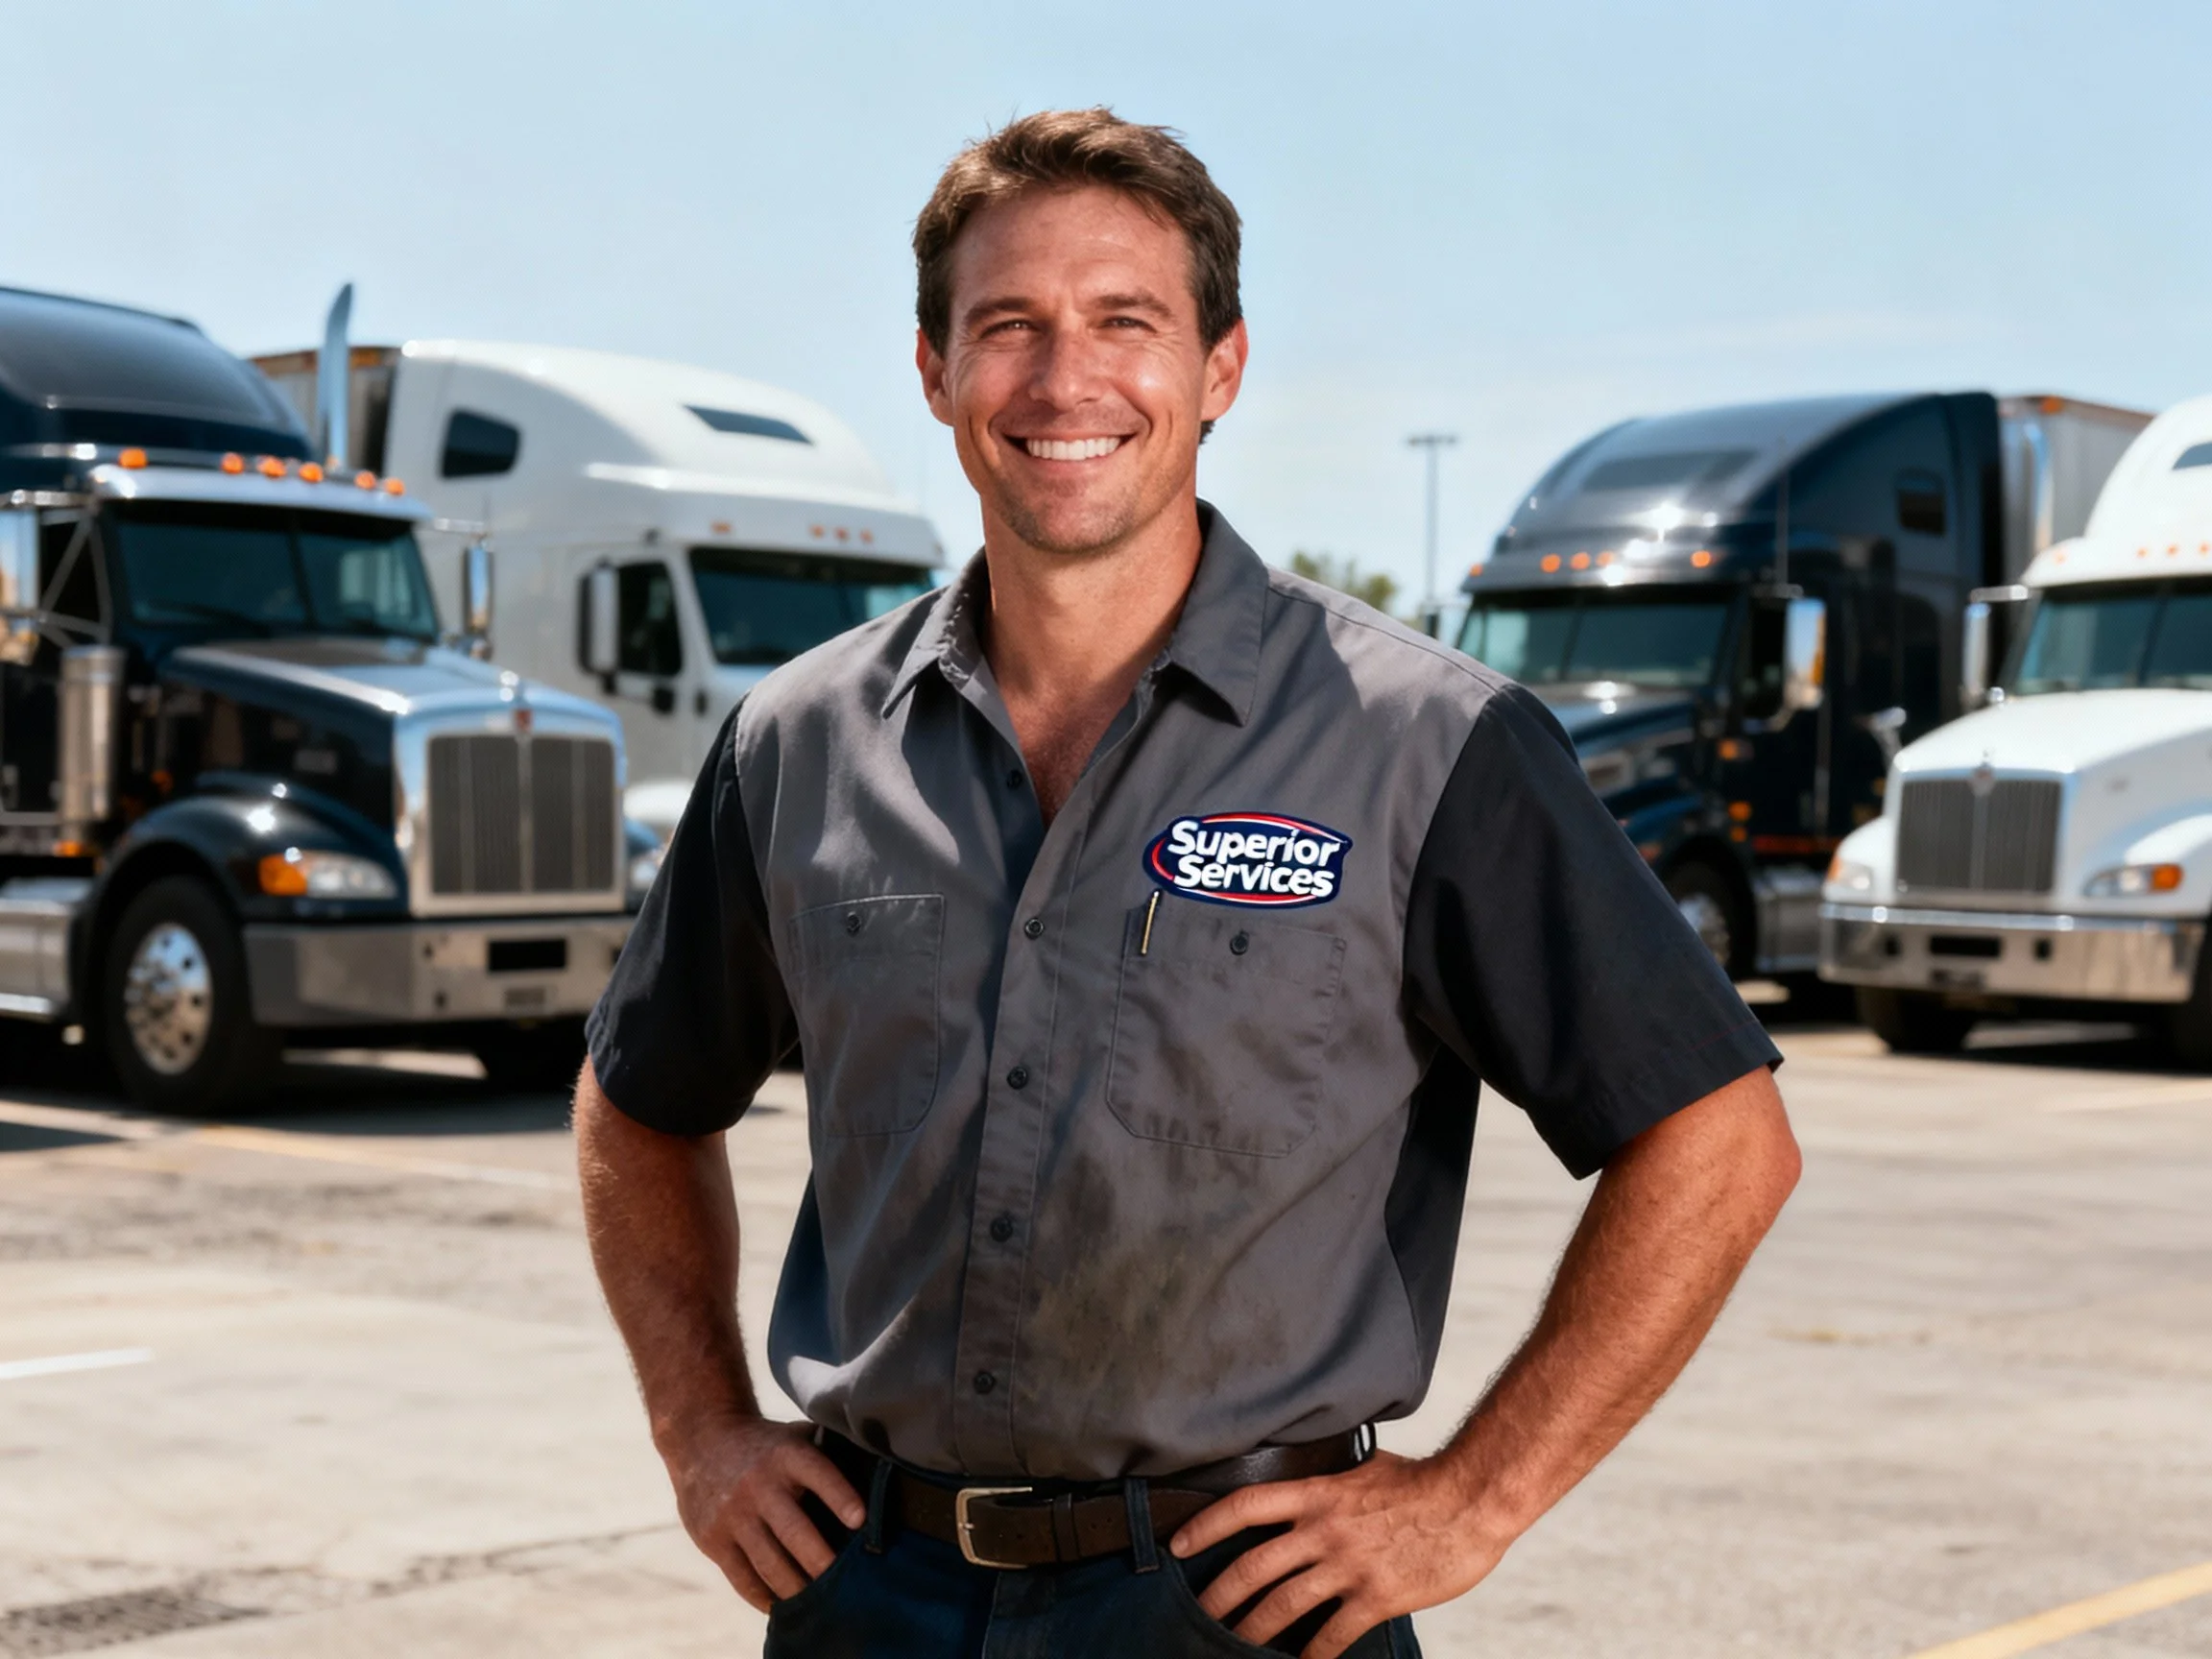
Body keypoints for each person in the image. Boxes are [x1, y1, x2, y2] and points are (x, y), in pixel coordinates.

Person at [575, 107, 1801, 1659]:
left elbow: (1719, 1139)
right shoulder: (798, 743)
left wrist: (1475, 1502)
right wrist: (700, 1433)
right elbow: (637, 1101)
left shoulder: (1425, 744)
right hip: (865, 1599)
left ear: (1219, 368)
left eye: (1124, 324)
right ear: (934, 373)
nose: (1064, 380)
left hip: (1240, 1613)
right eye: (1006, 326)